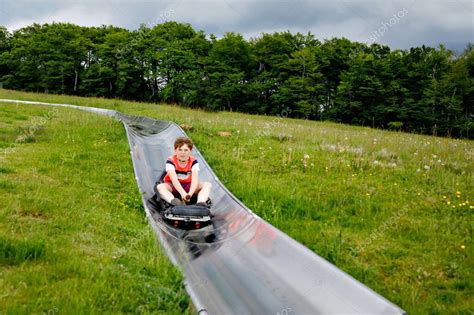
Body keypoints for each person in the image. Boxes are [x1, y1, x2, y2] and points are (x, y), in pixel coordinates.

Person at [156, 137, 211, 206]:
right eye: (180, 150)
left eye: (186, 150)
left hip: (188, 185)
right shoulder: (170, 161)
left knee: (207, 184)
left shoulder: (193, 161)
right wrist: (182, 193)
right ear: (175, 150)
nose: (183, 153)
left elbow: (195, 180)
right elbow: (174, 180)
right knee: (160, 187)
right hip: (173, 186)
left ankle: (200, 203)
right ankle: (174, 201)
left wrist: (190, 194)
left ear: (190, 151)